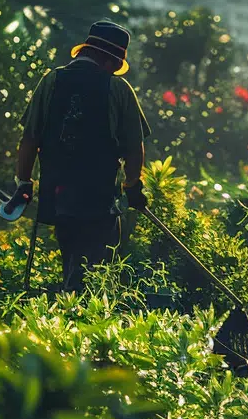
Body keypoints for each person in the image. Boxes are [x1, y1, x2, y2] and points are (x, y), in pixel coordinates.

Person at [13, 21, 150, 292]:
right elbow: (134, 148)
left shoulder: (51, 80)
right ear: (109, 58)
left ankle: (68, 305)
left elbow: (29, 138)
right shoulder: (119, 89)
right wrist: (132, 186)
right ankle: (82, 312)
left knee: (72, 255)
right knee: (98, 268)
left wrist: (24, 182)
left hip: (59, 195)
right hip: (99, 198)